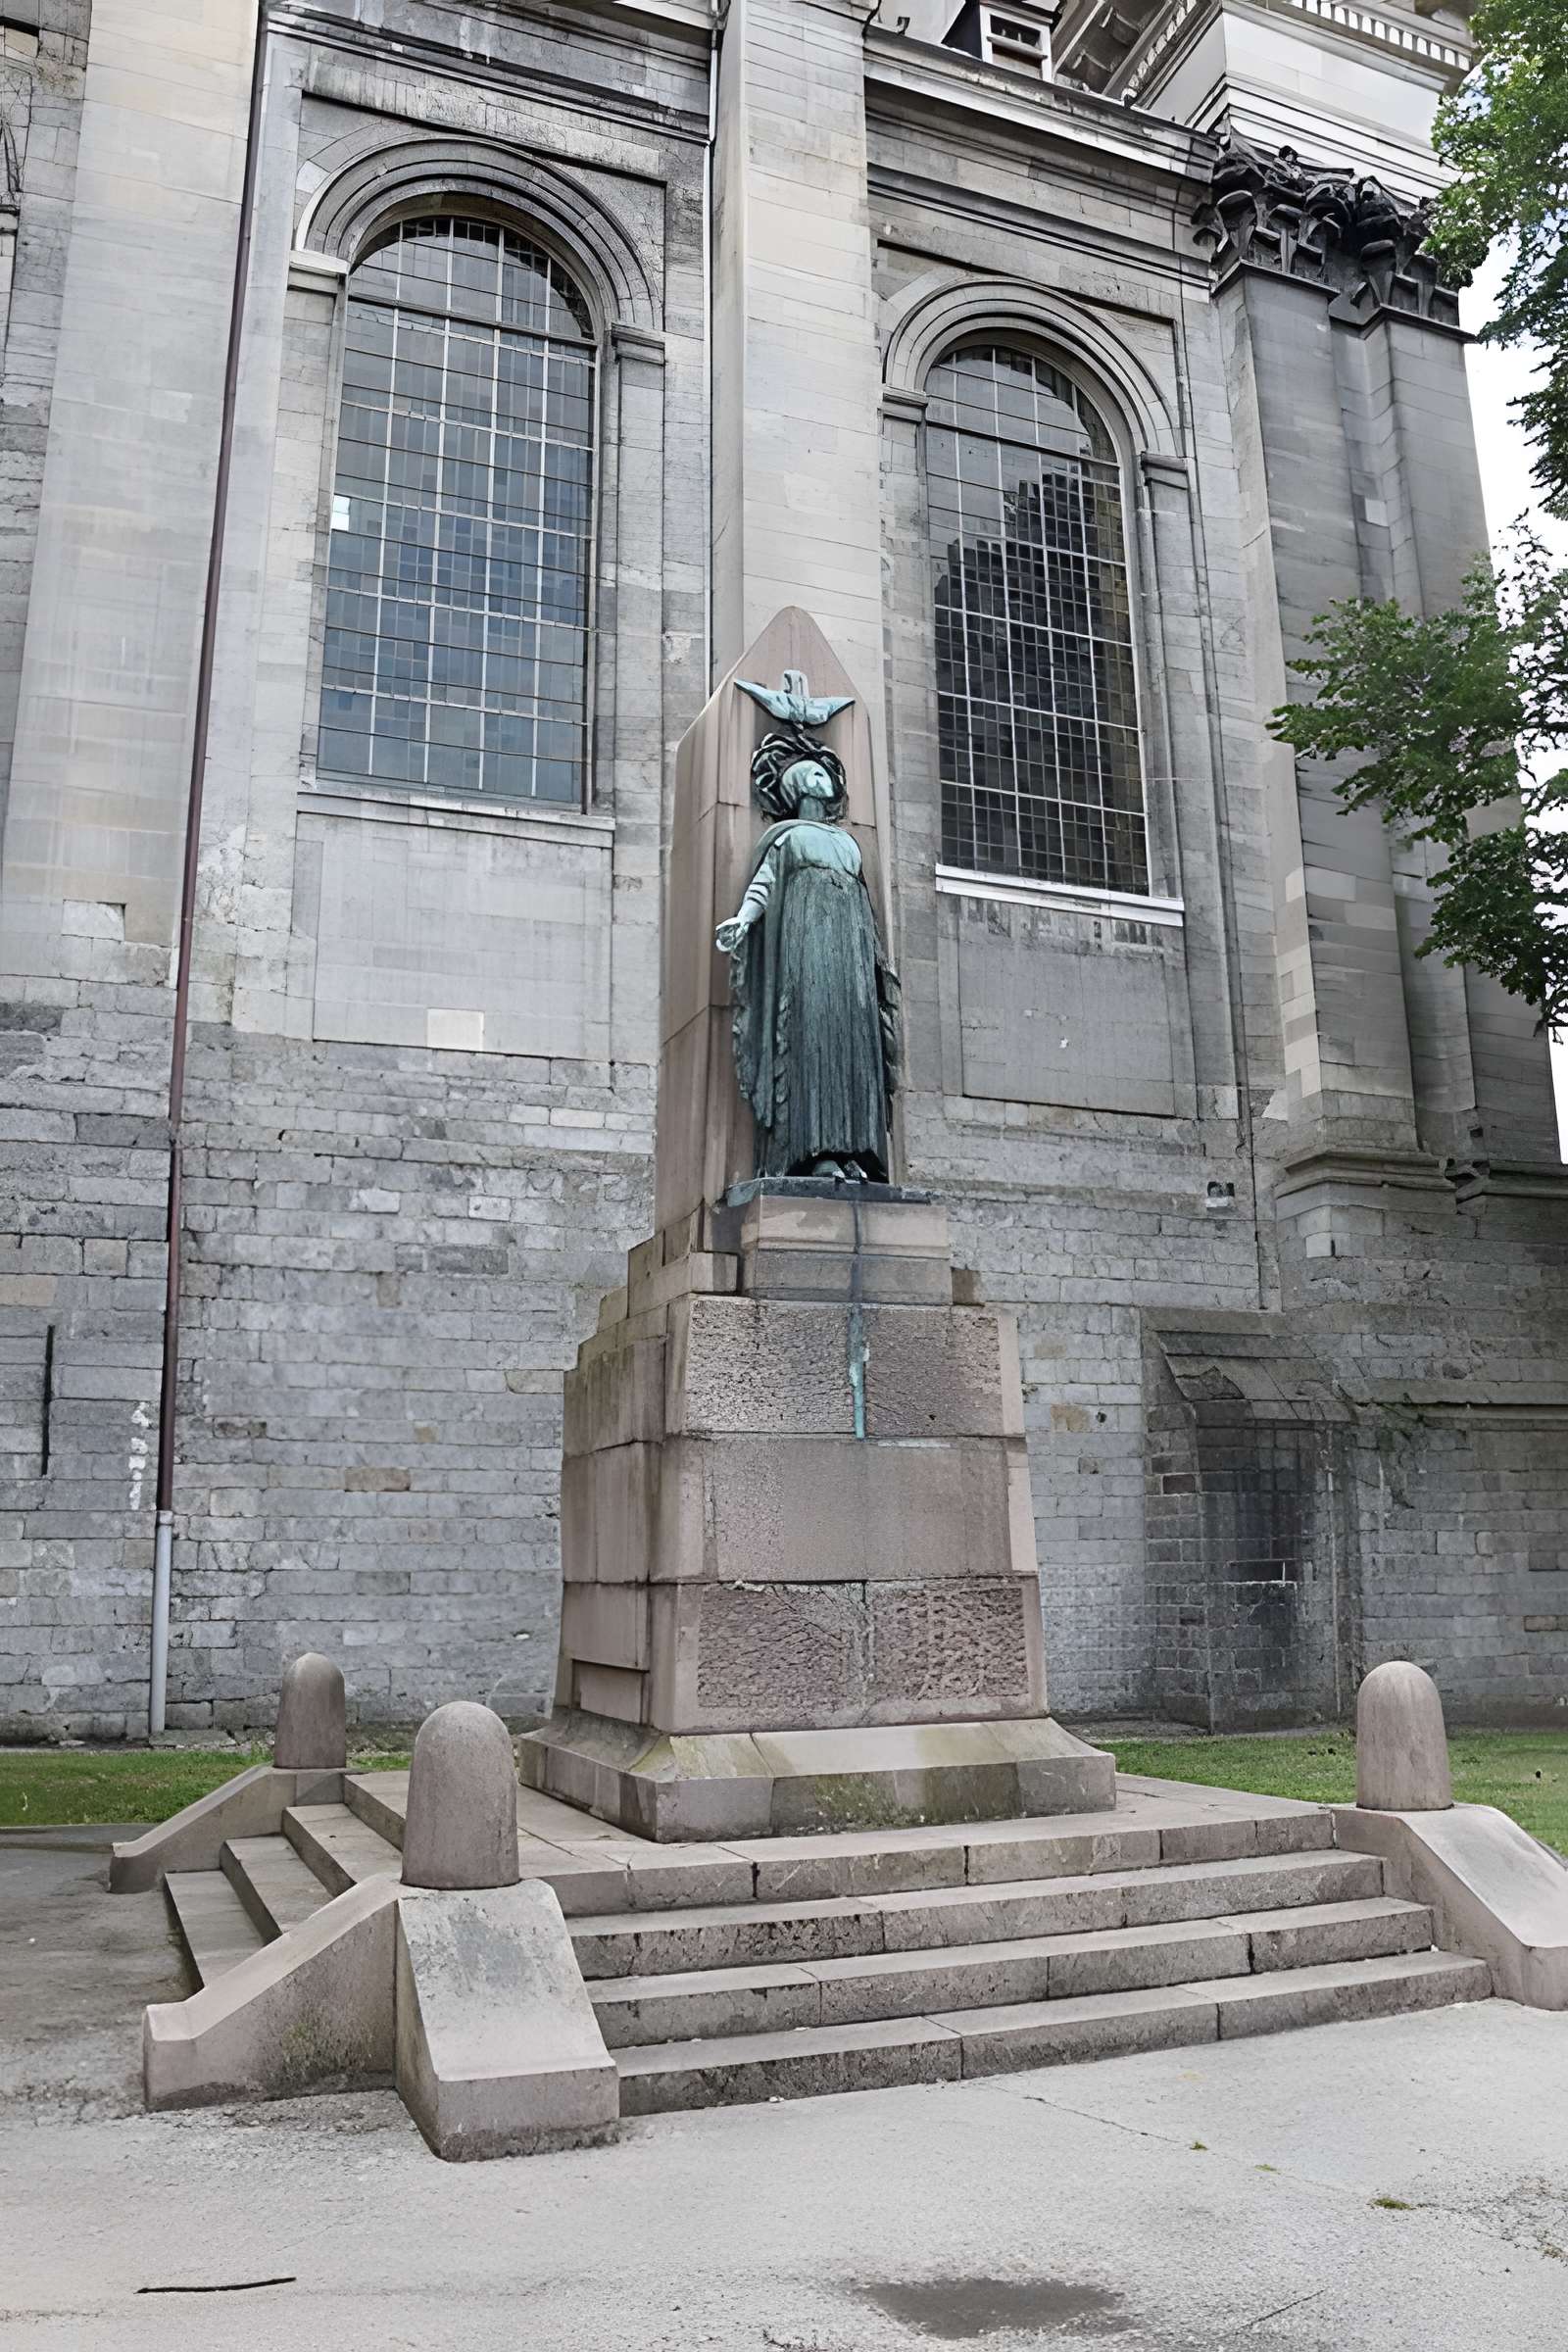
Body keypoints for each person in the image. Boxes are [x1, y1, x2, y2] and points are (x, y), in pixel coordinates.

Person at [715, 749, 900, 1182]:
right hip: (807, 943)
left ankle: (860, 1151)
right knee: (813, 1041)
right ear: (796, 785)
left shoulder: (848, 843)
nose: (823, 777)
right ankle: (816, 1153)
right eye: (814, 772)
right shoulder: (787, 837)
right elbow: (765, 883)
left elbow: (866, 904)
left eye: (825, 772)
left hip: (849, 949)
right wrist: (743, 920)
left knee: (855, 1045)